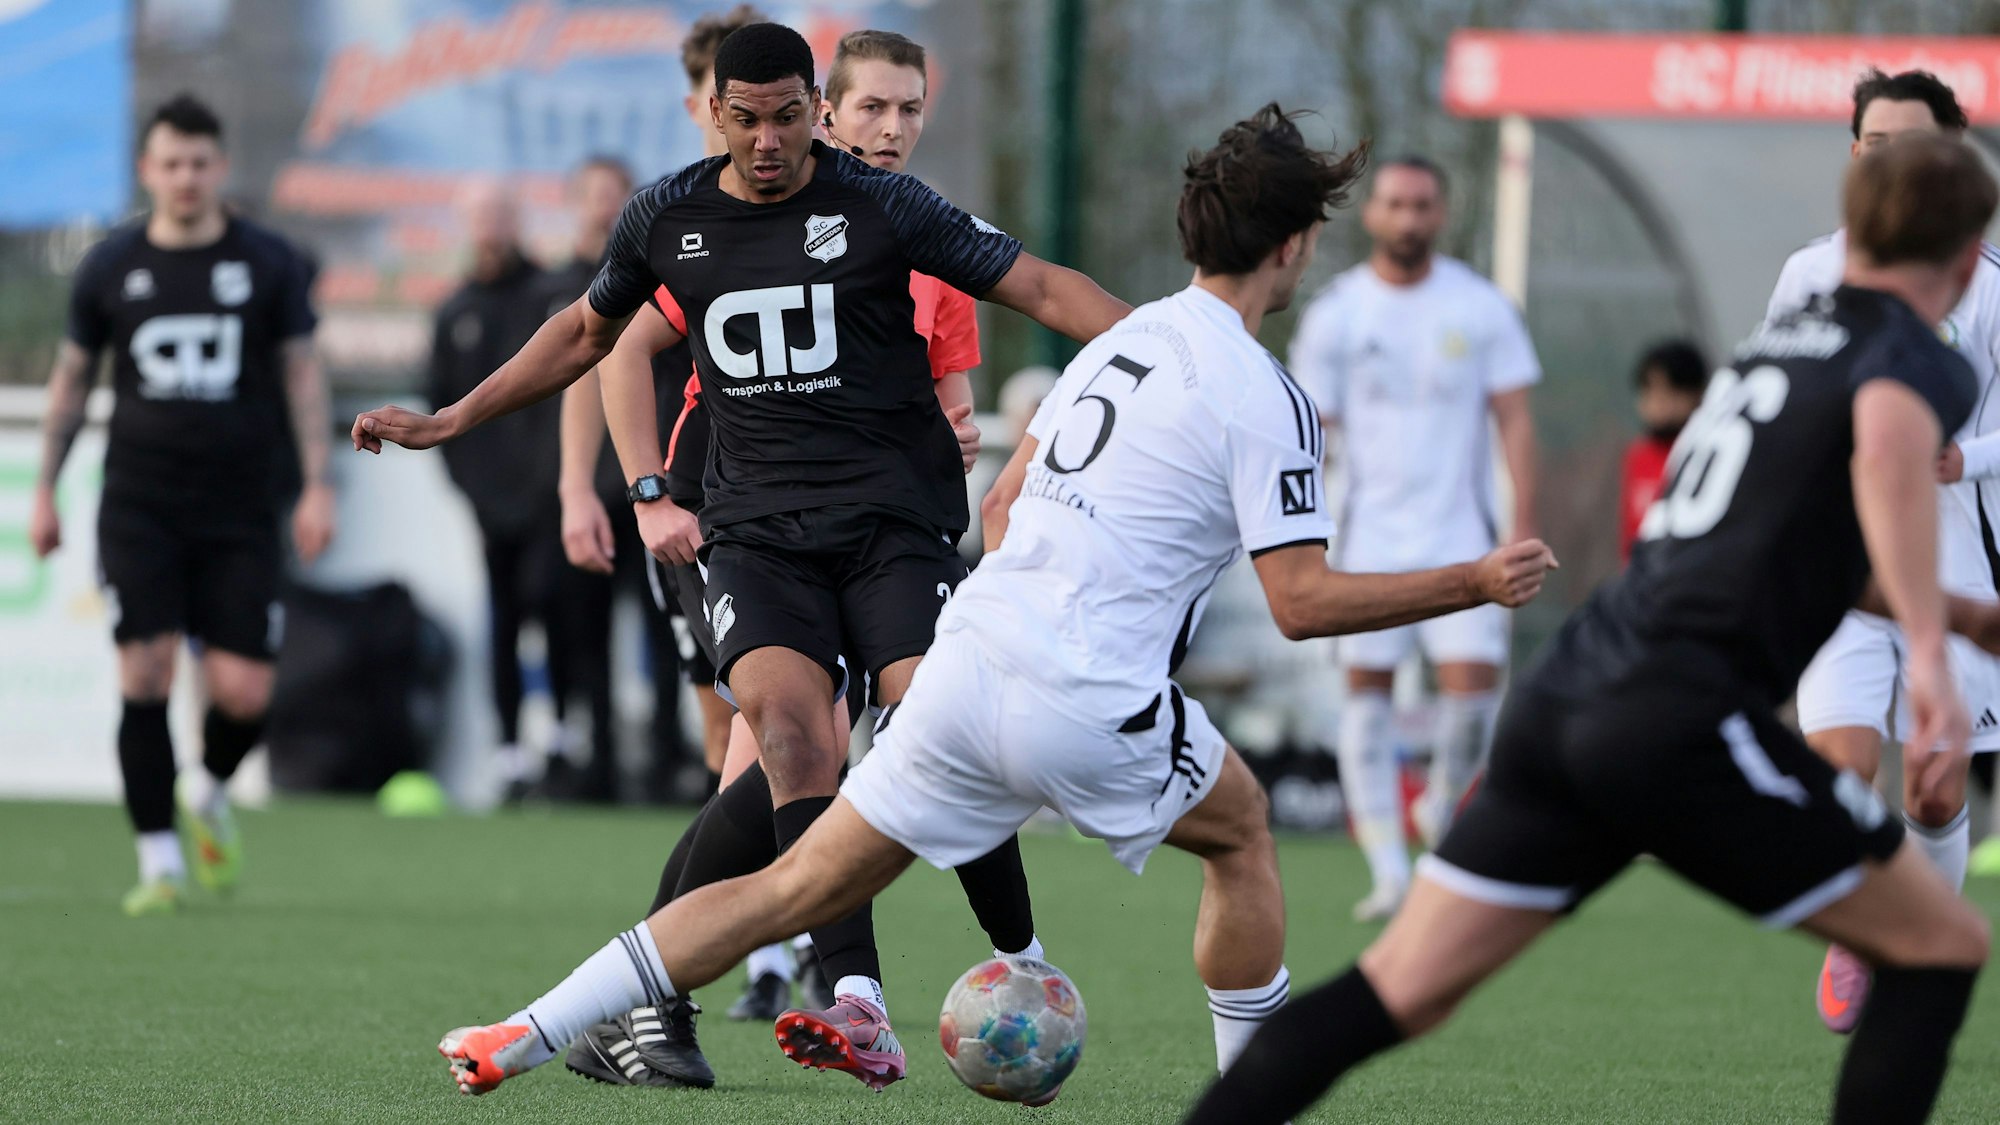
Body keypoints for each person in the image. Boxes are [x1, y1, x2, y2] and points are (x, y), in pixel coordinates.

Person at [419, 101, 1557, 1105]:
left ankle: (527, 1028)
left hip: (965, 666)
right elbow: (1299, 604)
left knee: (785, 885)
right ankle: (1244, 1100)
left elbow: (1003, 506)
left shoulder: (1118, 350)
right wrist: (1472, 580)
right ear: (1296, 246)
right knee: (1243, 832)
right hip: (1086, 689)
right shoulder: (1268, 394)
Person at [354, 21, 1123, 1090]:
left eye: (788, 117)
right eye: (746, 119)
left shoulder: (884, 205)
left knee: (936, 722)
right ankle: (856, 1001)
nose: (768, 141)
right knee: (792, 739)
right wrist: (454, 418)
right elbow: (586, 336)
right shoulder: (667, 217)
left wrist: (1178, 352)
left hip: (893, 529)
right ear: (713, 113)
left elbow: (1038, 288)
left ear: (815, 109)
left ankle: (1021, 958)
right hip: (755, 536)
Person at [1182, 133, 1995, 1125]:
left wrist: (1959, 615)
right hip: (1678, 720)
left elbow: (1769, 547)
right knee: (1941, 944)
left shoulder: (1779, 342)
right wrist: (1931, 660)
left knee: (1397, 991)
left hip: (1569, 697)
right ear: (1966, 258)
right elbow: (1886, 457)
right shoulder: (1912, 355)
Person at [29, 94, 334, 915]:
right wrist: (45, 489)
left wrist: (317, 483)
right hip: (140, 502)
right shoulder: (110, 265)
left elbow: (302, 373)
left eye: (199, 163)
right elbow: (70, 382)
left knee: (243, 694)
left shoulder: (268, 261)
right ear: (147, 170)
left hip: (241, 506)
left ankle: (206, 789)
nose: (186, 177)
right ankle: (159, 861)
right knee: (145, 669)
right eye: (171, 163)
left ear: (220, 166)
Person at [1768, 68, 2000, 1034]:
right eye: (1876, 145)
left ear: (1954, 154)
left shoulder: (1989, 283)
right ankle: (1865, 936)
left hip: (1959, 576)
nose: (1893, 161)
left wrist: (1962, 457)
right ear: (1854, 155)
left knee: (1936, 792)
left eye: (1915, 144)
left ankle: (1909, 941)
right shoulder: (1810, 273)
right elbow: (1777, 400)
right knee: (1843, 766)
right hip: (1848, 571)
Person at [1289, 154, 1543, 921]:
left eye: (1423, 204)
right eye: (1395, 203)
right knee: (1366, 696)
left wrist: (1525, 522)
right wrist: (1301, 533)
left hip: (1463, 534)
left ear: (1441, 212)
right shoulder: (1337, 312)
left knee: (1474, 692)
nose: (1409, 217)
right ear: (1371, 214)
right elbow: (1309, 432)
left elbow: (1516, 420)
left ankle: (1439, 810)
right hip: (1366, 536)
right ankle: (1388, 869)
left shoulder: (1480, 305)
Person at [541, 153, 689, 805]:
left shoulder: (671, 264)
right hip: (612, 491)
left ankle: (667, 761)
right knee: (588, 635)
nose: (605, 205)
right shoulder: (576, 282)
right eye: (594, 193)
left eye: (615, 192)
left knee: (672, 632)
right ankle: (598, 761)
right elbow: (581, 366)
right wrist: (573, 487)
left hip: (679, 484)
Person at [428, 182, 579, 797]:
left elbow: (569, 395)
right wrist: (475, 490)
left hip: (550, 498)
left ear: (518, 221)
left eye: (499, 215)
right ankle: (510, 750)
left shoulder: (551, 298)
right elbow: (440, 408)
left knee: (557, 606)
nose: (490, 228)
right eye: (479, 217)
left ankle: (563, 737)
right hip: (491, 506)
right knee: (504, 617)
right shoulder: (455, 311)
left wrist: (557, 483)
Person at [1619, 339, 1708, 561]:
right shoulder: (1638, 456)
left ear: (1697, 395)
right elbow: (1630, 535)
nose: (1658, 403)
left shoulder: (1707, 453)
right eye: (1649, 390)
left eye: (1670, 391)